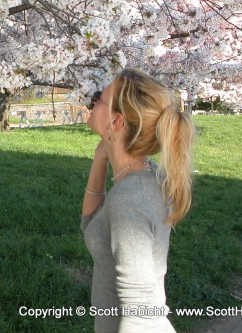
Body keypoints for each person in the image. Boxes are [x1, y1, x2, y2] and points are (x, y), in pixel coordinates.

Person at [81, 68, 194, 333]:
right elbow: (90, 225)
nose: (92, 102)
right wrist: (101, 158)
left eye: (99, 98)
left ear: (116, 122)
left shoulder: (130, 197)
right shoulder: (149, 175)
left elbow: (142, 311)